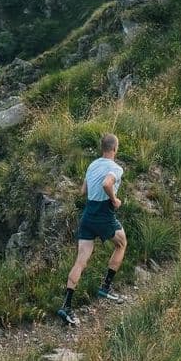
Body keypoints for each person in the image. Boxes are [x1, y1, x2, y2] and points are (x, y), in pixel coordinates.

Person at [56, 132, 129, 325]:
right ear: (114, 149)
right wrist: (115, 200)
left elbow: (83, 191)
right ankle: (105, 287)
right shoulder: (116, 168)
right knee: (121, 244)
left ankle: (66, 306)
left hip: (88, 215)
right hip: (104, 214)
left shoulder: (92, 165)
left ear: (101, 148)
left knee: (81, 261)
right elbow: (107, 183)